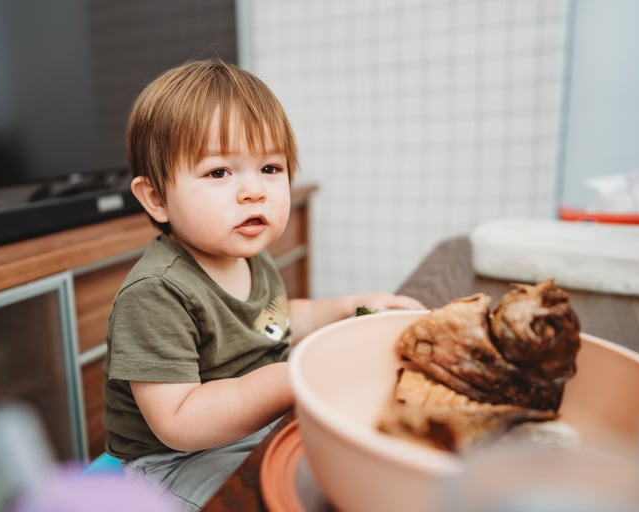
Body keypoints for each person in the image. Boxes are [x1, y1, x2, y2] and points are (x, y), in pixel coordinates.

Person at [102, 58, 424, 511]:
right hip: (176, 461)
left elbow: (276, 318)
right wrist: (291, 377)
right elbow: (179, 421)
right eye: (219, 172)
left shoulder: (246, 251)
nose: (254, 191)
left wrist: (348, 308)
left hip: (256, 424)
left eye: (270, 168)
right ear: (156, 198)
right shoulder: (157, 292)